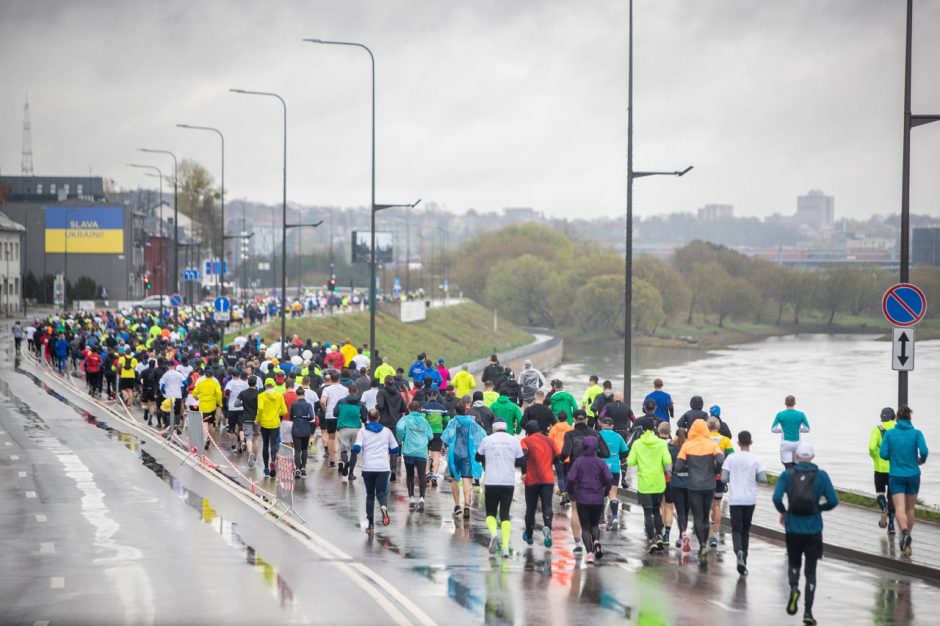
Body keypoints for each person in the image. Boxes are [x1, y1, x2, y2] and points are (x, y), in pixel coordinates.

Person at [772, 442, 838, 625]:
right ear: (812, 457)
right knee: (811, 571)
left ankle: (793, 587)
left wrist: (784, 512)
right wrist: (819, 508)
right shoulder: (822, 476)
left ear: (797, 457)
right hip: (813, 529)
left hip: (793, 527)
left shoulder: (787, 475)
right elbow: (833, 500)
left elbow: (776, 498)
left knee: (794, 563)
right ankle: (808, 612)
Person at [879, 405, 929, 557]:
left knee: (899, 508)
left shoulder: (890, 434)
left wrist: (892, 457)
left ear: (897, 418)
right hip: (913, 474)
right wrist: (921, 460)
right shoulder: (916, 433)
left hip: (896, 475)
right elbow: (925, 451)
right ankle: (906, 537)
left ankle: (905, 534)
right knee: (910, 508)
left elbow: (883, 453)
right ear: (910, 418)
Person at [559, 410, 610, 553]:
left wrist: (561, 460)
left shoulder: (570, 434)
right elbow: (605, 453)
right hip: (594, 476)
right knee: (594, 508)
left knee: (575, 509)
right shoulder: (595, 434)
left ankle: (577, 544)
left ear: (574, 420)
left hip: (576, 476)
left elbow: (565, 454)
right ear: (586, 419)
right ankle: (595, 539)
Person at [675, 420, 725, 565]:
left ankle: (702, 545)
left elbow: (678, 467)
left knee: (697, 516)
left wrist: (689, 467)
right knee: (705, 516)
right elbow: (721, 460)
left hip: (694, 485)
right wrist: (714, 471)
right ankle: (705, 545)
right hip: (709, 484)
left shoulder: (687, 445)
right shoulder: (712, 445)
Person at [721, 430, 767, 576]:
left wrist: (733, 478)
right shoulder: (756, 459)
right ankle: (744, 561)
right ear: (750, 442)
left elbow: (723, 478)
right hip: (750, 499)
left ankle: (738, 551)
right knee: (746, 530)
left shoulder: (731, 458)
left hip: (735, 499)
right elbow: (763, 479)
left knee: (736, 529)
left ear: (739, 443)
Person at [476, 420, 524, 558]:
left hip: (491, 481)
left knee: (490, 513)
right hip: (508, 482)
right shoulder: (513, 440)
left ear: (494, 428)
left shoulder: (487, 439)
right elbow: (521, 461)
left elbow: (477, 456)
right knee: (505, 514)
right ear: (506, 427)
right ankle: (505, 547)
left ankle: (493, 533)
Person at [626, 419, 672, 553]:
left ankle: (651, 539)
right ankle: (659, 536)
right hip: (658, 483)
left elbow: (630, 461)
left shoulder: (638, 443)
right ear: (654, 428)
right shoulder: (660, 443)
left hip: (644, 483)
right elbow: (667, 461)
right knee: (657, 511)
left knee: (647, 513)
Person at [565, 435, 613, 563]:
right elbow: (609, 478)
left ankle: (590, 553)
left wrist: (571, 491)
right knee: (594, 524)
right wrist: (606, 490)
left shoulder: (579, 462)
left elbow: (570, 479)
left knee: (585, 527)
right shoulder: (600, 462)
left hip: (582, 498)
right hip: (597, 497)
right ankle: (596, 541)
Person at [351, 409, 401, 532]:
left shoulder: (362, 431)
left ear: (367, 417)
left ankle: (371, 523)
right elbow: (395, 449)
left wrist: (354, 450)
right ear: (379, 418)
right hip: (383, 467)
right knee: (382, 493)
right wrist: (385, 450)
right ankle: (383, 507)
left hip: (368, 467)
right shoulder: (387, 431)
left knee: (370, 495)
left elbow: (357, 447)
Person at [441, 405, 487, 518]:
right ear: (466, 411)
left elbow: (446, 436)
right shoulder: (472, 422)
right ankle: (466, 504)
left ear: (456, 411)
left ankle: (457, 505)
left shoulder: (453, 422)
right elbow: (481, 435)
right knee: (467, 479)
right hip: (467, 454)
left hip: (454, 454)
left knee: (454, 479)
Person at [519, 420, 556, 548]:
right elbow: (557, 456)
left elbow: (522, 456)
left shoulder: (525, 441)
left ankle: (529, 535)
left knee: (531, 508)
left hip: (532, 479)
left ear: (527, 431)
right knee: (547, 505)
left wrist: (524, 472)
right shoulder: (549, 440)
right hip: (548, 478)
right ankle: (547, 526)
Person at [396, 401, 435, 510]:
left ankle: (412, 497)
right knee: (422, 475)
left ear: (409, 408)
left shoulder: (405, 419)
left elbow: (399, 429)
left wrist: (401, 438)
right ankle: (422, 498)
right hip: (421, 452)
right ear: (419, 409)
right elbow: (431, 436)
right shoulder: (424, 421)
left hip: (409, 451)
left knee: (410, 475)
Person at [597, 417, 629, 530]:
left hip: (600, 467)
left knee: (600, 493)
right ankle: (615, 517)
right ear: (612, 426)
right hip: (614, 468)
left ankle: (601, 520)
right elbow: (625, 452)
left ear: (601, 425)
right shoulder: (618, 436)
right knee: (613, 493)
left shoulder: (597, 435)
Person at [869, 407, 897, 534]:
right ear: (894, 417)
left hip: (879, 469)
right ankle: (891, 524)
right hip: (894, 470)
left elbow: (871, 447)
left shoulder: (877, 429)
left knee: (880, 493)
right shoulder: (897, 429)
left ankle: (883, 509)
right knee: (892, 497)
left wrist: (876, 457)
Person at [707, 416, 735, 547]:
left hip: (705, 477)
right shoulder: (725, 440)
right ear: (718, 427)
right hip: (720, 477)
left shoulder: (703, 439)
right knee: (717, 504)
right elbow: (732, 457)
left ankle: (705, 532)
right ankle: (714, 535)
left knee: (705, 506)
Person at [334, 384, 368, 480]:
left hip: (344, 428)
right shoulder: (360, 403)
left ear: (348, 391)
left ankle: (346, 462)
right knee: (354, 452)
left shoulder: (341, 402)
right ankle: (351, 474)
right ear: (356, 391)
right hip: (356, 429)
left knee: (343, 450)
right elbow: (364, 417)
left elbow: (335, 413)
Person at [257, 379, 288, 477]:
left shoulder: (261, 396)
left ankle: (266, 468)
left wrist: (258, 419)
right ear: (273, 385)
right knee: (274, 444)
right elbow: (284, 410)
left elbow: (260, 408)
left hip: (264, 423)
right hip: (275, 423)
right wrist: (276, 413)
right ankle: (273, 461)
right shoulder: (279, 396)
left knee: (265, 444)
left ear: (265, 385)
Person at [771, 395, 810, 470]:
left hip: (785, 443)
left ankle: (788, 479)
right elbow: (807, 429)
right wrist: (798, 429)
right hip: (797, 443)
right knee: (796, 465)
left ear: (785, 403)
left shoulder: (780, 415)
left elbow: (773, 429)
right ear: (794, 403)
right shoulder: (801, 414)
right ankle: (796, 480)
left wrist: (781, 430)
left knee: (788, 467)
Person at [320, 372, 349, 469]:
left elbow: (322, 401)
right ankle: (341, 460)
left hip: (330, 415)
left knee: (331, 438)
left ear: (331, 379)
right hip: (342, 415)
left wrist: (325, 409)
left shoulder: (327, 389)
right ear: (339, 379)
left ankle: (332, 461)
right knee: (341, 438)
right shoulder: (345, 389)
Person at [422, 388, 450, 486]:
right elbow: (447, 420)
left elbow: (422, 420)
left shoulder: (424, 407)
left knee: (425, 454)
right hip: (438, 433)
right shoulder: (442, 407)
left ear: (428, 396)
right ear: (436, 396)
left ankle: (426, 473)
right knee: (436, 455)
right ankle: (434, 475)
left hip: (426, 434)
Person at [290, 385, 317, 478]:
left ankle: (297, 468)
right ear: (304, 394)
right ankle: (304, 467)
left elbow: (290, 417)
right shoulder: (308, 405)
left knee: (297, 449)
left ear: (296, 395)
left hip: (296, 428)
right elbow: (312, 417)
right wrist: (306, 419)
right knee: (304, 449)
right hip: (306, 428)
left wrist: (298, 418)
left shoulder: (294, 405)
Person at [235, 375, 261, 468]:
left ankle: (250, 452)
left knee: (249, 437)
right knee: (256, 438)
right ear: (256, 383)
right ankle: (254, 459)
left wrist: (243, 403)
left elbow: (236, 404)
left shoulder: (243, 393)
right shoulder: (259, 394)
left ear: (248, 382)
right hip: (257, 418)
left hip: (246, 417)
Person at [224, 371, 249, 452]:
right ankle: (242, 442)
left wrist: (230, 395)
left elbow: (227, 392)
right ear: (239, 375)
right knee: (241, 427)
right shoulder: (244, 383)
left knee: (231, 429)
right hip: (241, 408)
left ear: (232, 375)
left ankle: (233, 447)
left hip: (232, 408)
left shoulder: (230, 383)